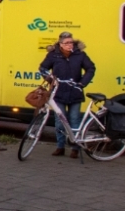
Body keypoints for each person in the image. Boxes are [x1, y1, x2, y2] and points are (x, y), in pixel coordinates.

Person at [40, 31, 96, 159]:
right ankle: (60, 147)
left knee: (74, 120)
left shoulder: (80, 55)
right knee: (60, 121)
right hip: (58, 93)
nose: (69, 45)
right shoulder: (53, 55)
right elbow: (43, 68)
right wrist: (50, 79)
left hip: (75, 92)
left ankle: (75, 148)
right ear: (60, 44)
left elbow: (91, 68)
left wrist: (82, 83)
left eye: (71, 42)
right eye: (66, 43)